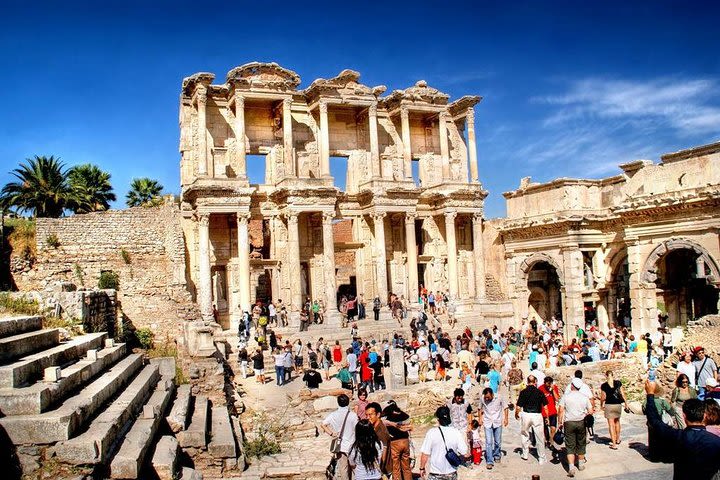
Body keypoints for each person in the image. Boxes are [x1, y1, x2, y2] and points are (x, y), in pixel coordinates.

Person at [644, 380, 720, 479]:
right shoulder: (716, 441)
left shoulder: (677, 436)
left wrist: (650, 394)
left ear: (684, 416)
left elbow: (654, 420)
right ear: (704, 416)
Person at [419, 406, 469, 480]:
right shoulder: (456, 432)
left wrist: (422, 468)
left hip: (435, 474)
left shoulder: (431, 433)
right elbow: (465, 452)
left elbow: (425, 454)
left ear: (438, 419)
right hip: (451, 473)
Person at [559, 378, 595, 477]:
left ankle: (571, 468)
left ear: (572, 386)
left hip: (569, 422)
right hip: (581, 422)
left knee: (570, 445)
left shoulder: (566, 397)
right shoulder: (584, 397)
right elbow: (591, 411)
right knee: (581, 443)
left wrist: (560, 422)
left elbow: (561, 410)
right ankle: (581, 464)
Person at [321, 394, 359, 480]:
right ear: (348, 402)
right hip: (352, 445)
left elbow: (323, 424)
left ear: (338, 403)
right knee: (355, 468)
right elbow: (357, 430)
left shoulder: (333, 415)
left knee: (343, 469)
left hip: (340, 446)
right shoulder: (353, 415)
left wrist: (331, 433)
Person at [515, 375, 548, 464]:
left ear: (527, 381)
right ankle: (541, 457)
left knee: (525, 435)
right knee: (540, 437)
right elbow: (545, 406)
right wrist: (547, 417)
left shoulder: (523, 392)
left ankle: (525, 454)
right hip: (537, 415)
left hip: (526, 415)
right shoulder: (540, 392)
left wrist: (516, 413)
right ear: (535, 382)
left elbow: (518, 406)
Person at [478, 387, 509, 470]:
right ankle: (489, 461)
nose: (487, 399)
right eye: (486, 397)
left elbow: (505, 408)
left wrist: (506, 418)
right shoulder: (482, 398)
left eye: (488, 397)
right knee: (488, 442)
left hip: (497, 421)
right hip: (487, 422)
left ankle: (497, 455)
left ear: (492, 394)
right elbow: (479, 408)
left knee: (497, 442)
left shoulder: (499, 397)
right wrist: (480, 419)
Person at [383, 401, 413, 480]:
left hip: (395, 442)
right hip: (405, 441)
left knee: (396, 468)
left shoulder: (388, 417)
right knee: (406, 466)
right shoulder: (405, 415)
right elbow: (410, 425)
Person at [599, 371, 629, 449]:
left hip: (609, 405)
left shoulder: (604, 385)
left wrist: (601, 405)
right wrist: (626, 403)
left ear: (606, 376)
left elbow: (603, 397)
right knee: (617, 422)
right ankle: (618, 439)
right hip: (618, 404)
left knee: (611, 424)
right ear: (613, 375)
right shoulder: (618, 383)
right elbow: (622, 394)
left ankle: (614, 444)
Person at [365, 402, 393, 476]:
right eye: (366, 415)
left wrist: (380, 470)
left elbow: (384, 450)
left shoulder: (381, 431)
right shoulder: (374, 427)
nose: (368, 418)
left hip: (383, 469)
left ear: (378, 415)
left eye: (370, 415)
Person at [539, 376, 560, 454]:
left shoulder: (554, 388)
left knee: (553, 429)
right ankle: (546, 441)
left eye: (550, 384)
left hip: (553, 411)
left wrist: (553, 390)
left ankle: (551, 443)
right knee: (545, 429)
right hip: (543, 412)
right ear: (544, 383)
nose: (548, 386)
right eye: (547, 385)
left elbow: (557, 399)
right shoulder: (540, 388)